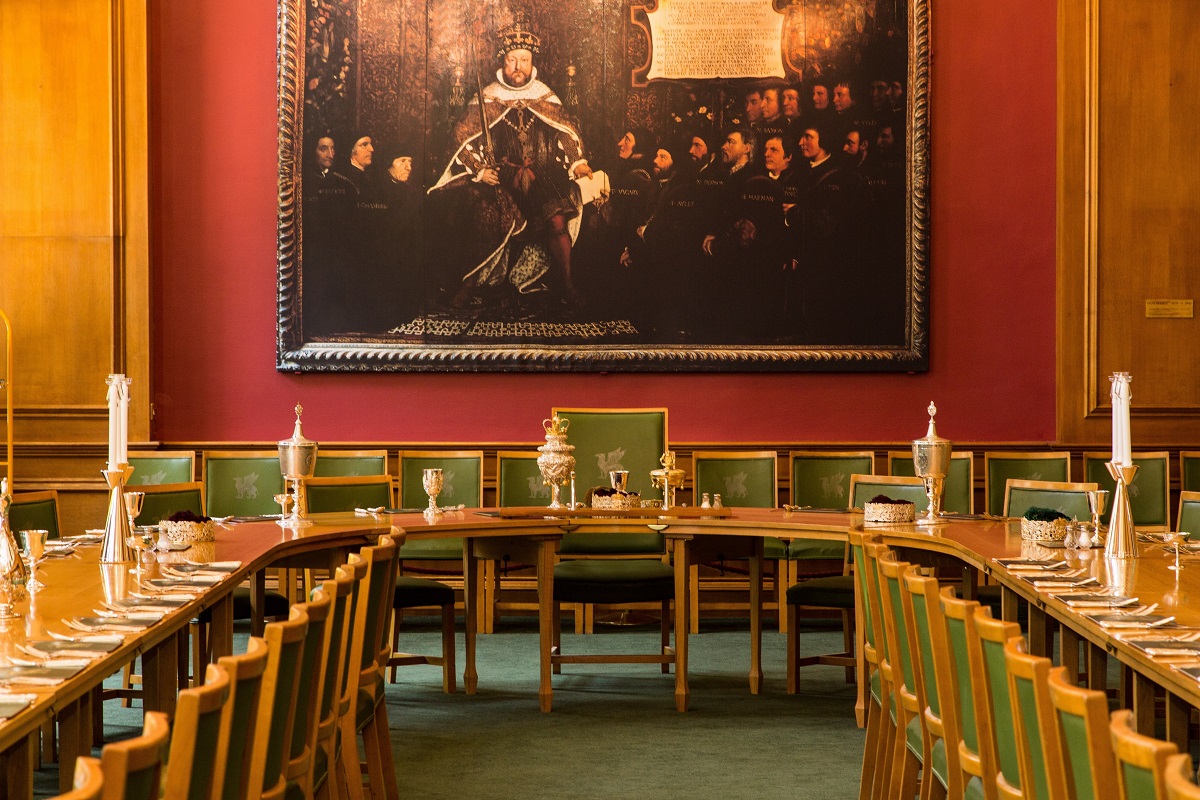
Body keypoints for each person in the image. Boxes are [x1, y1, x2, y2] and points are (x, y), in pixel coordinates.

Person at [429, 15, 592, 308]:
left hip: (542, 175)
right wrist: (480, 170)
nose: (518, 67)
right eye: (513, 60)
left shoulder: (546, 97)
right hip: (501, 175)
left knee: (557, 220)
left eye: (525, 60)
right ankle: (471, 284)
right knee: (485, 216)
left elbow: (565, 135)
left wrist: (576, 162)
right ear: (503, 62)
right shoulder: (488, 97)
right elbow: (464, 141)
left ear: (532, 63)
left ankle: (568, 286)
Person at [302, 134, 356, 335]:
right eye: (324, 149)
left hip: (335, 247)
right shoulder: (306, 179)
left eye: (333, 149)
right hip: (313, 247)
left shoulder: (339, 181)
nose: (330, 154)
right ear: (313, 151)